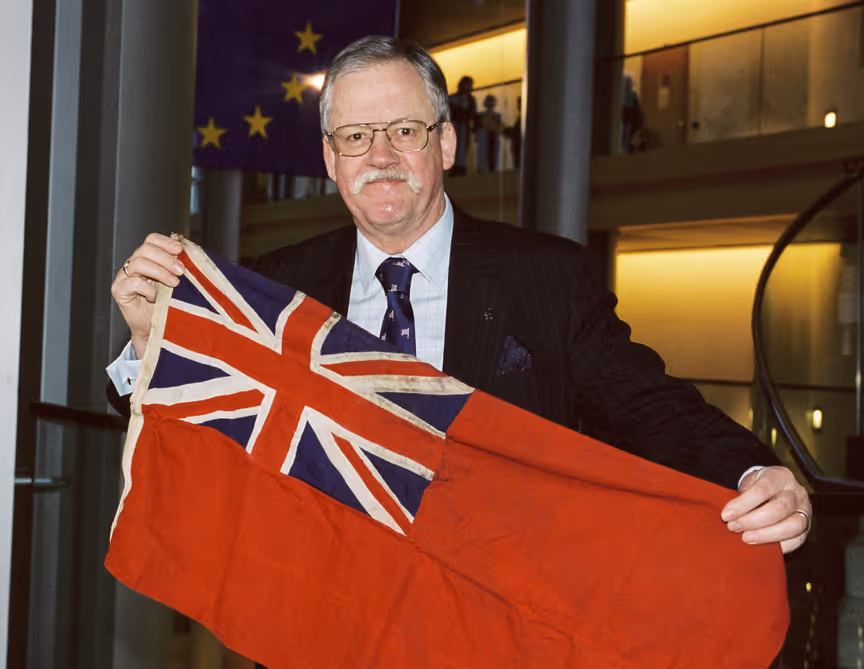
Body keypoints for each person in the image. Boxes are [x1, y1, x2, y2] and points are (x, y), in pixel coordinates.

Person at [108, 37, 811, 558]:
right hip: (317, 629)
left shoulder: (547, 279)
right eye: (355, 136)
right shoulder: (277, 284)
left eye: (404, 131)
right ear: (330, 159)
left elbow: (647, 403)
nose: (379, 155)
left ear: (444, 143)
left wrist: (752, 470)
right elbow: (198, 428)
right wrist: (150, 342)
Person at [446, 75, 476, 176]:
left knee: (463, 147)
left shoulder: (471, 100)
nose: (468, 87)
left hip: (464, 127)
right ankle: (454, 167)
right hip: (455, 126)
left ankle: (462, 167)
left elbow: (472, 115)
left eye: (469, 85)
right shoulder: (453, 98)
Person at [476, 94, 502, 173]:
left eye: (492, 102)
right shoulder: (481, 115)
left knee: (493, 160)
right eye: (489, 101)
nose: (490, 104)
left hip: (493, 140)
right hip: (484, 140)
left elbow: (498, 127)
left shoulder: (498, 116)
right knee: (483, 159)